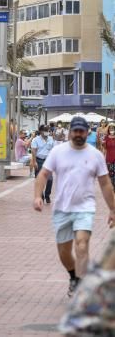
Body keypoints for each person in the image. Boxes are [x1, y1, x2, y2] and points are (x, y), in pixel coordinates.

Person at [34, 116, 115, 298]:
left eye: (82, 131)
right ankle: (74, 277)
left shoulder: (95, 155)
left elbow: (105, 184)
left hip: (85, 208)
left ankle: (82, 286)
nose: (78, 134)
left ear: (87, 132)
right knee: (64, 252)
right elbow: (43, 174)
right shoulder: (58, 152)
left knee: (81, 244)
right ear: (70, 132)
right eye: (75, 131)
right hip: (62, 208)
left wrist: (112, 209)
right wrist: (37, 196)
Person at [31, 124, 54, 204]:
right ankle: (41, 195)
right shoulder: (35, 140)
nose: (47, 132)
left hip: (48, 161)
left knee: (50, 179)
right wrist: (34, 162)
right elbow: (33, 151)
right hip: (39, 160)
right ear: (41, 131)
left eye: (48, 130)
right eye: (45, 130)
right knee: (39, 179)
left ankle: (47, 195)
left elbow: (53, 149)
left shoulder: (51, 139)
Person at [103, 122, 115, 192]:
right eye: (110, 128)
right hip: (109, 158)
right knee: (110, 173)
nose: (111, 129)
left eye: (113, 128)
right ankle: (112, 187)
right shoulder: (106, 137)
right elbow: (104, 148)